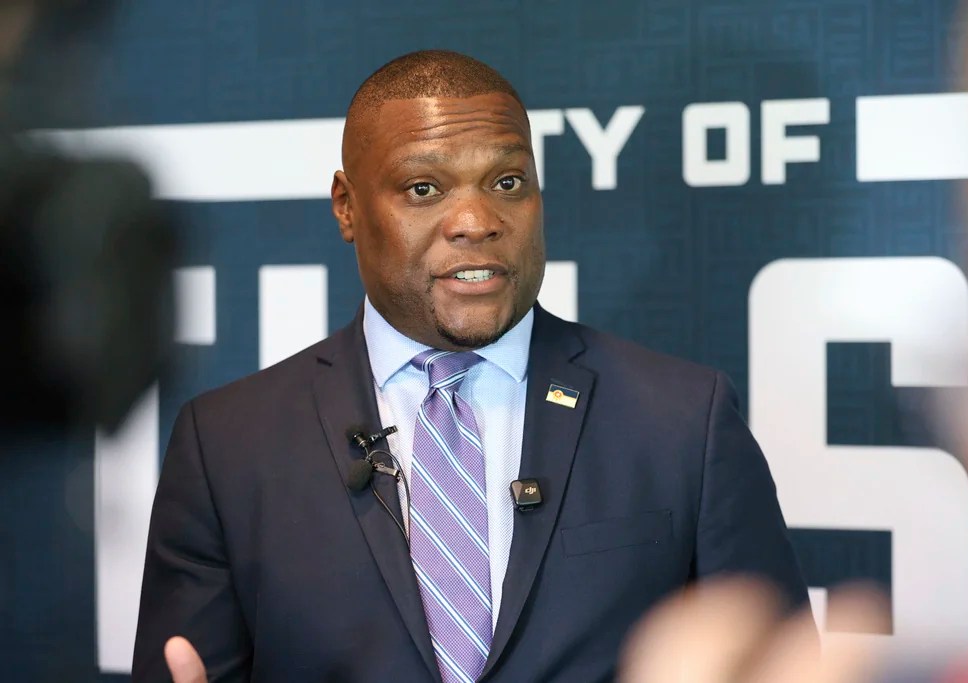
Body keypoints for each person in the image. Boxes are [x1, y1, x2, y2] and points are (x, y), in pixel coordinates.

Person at [132, 49, 808, 683]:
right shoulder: (226, 443)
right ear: (346, 205)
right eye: (424, 187)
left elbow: (782, 664)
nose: (477, 220)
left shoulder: (687, 420)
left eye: (507, 181)